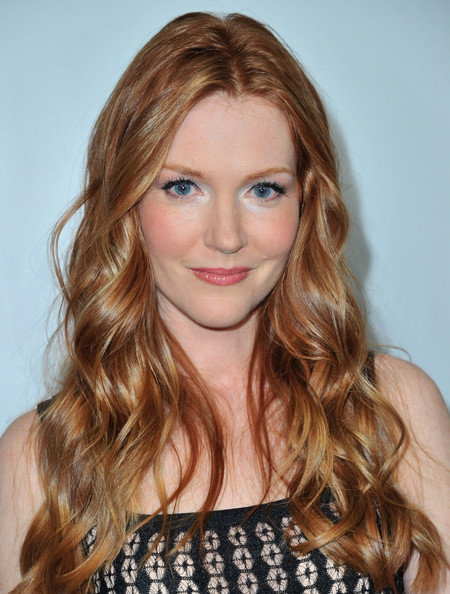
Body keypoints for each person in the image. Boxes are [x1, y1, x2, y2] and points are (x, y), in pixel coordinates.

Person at [0, 11, 448, 594]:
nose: (227, 236)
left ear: (306, 202)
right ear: (127, 201)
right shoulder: (39, 460)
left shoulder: (392, 413)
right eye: (183, 187)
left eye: (263, 189)